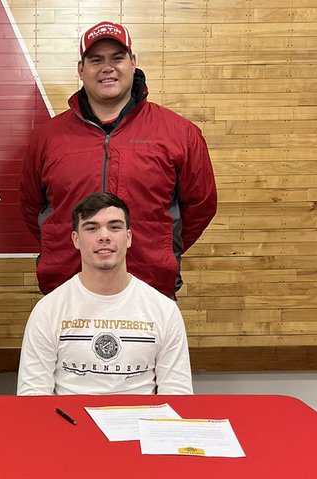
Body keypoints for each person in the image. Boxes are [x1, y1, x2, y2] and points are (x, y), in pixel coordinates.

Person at [19, 21, 217, 299]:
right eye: (96, 60)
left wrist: (162, 249)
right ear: (81, 69)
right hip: (67, 288)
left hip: (150, 286)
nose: (107, 67)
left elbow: (201, 206)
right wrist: (60, 250)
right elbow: (31, 207)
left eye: (117, 58)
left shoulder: (179, 133)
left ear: (133, 62)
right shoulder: (48, 137)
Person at [17, 192, 192, 397]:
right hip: (70, 426)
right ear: (76, 239)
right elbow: (33, 397)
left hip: (140, 425)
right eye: (91, 228)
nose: (104, 236)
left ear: (128, 238)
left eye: (114, 227)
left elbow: (178, 396)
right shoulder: (48, 310)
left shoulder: (164, 310)